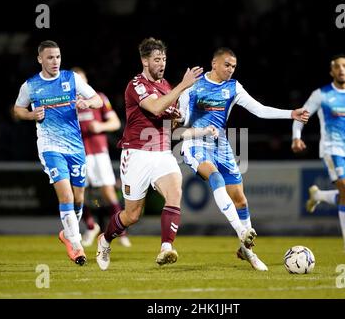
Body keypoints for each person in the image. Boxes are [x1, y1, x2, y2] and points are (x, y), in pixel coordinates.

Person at [177, 47, 310, 271]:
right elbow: (181, 121)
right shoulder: (193, 85)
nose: (230, 69)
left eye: (234, 66)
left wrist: (290, 114)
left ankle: (247, 250)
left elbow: (259, 110)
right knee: (216, 178)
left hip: (221, 145)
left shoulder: (233, 87)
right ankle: (242, 232)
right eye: (227, 65)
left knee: (241, 200)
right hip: (195, 142)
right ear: (214, 63)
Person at [95, 37, 204, 270]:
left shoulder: (166, 86)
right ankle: (105, 239)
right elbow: (155, 107)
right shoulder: (136, 85)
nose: (161, 63)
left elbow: (170, 124)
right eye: (156, 59)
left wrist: (188, 125)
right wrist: (183, 85)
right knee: (132, 215)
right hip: (137, 154)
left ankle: (166, 247)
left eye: (164, 59)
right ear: (145, 61)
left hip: (163, 152)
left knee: (175, 191)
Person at [14, 40, 102, 266]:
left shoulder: (71, 79)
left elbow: (98, 99)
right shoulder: (31, 85)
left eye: (58, 57)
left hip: (75, 146)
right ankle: (76, 244)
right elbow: (17, 110)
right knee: (66, 196)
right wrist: (31, 115)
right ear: (40, 59)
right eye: (50, 57)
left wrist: (87, 103)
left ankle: (67, 234)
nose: (55, 61)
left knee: (79, 197)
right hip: (50, 146)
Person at [291, 54, 345, 254]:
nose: (341, 69)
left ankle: (318, 195)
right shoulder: (322, 94)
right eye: (337, 66)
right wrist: (296, 136)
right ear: (332, 72)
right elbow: (302, 114)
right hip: (331, 148)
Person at [72, 67, 131, 248]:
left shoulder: (98, 98)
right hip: (78, 153)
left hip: (99, 153)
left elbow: (115, 123)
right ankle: (91, 226)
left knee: (107, 192)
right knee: (77, 192)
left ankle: (120, 231)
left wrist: (99, 127)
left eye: (81, 81)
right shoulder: (67, 102)